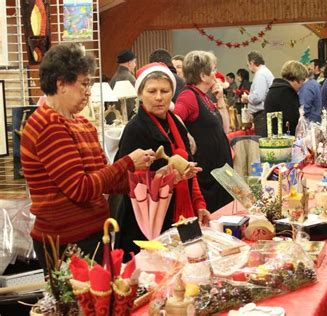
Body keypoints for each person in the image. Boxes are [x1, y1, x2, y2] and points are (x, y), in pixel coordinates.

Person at [20, 43, 154, 270]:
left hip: (92, 235)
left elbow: (108, 181)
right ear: (61, 83)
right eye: (83, 84)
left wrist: (153, 178)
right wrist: (128, 162)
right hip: (66, 242)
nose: (89, 92)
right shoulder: (48, 125)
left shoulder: (81, 123)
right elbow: (81, 188)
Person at [115, 63, 210, 258]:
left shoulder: (175, 122)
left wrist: (199, 203)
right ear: (140, 94)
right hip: (148, 224)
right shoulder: (135, 130)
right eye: (152, 91)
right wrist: (169, 176)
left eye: (164, 91)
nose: (159, 97)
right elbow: (128, 183)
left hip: (182, 214)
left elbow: (190, 170)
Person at [174, 51, 233, 212]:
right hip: (207, 177)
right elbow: (174, 117)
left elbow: (225, 129)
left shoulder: (204, 96)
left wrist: (220, 98)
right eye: (213, 69)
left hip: (219, 174)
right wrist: (188, 137)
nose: (215, 73)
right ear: (203, 75)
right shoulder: (188, 95)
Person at [264, 60, 307, 136]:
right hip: (283, 139)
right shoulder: (286, 93)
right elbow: (293, 119)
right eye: (302, 80)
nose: (302, 84)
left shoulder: (275, 89)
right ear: (296, 78)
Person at [241, 51, 274, 137]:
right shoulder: (265, 72)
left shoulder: (260, 74)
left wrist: (246, 98)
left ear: (252, 63)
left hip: (262, 117)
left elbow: (258, 97)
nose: (248, 67)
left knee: (263, 146)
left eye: (248, 64)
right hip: (265, 115)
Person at [109, 48, 137, 120]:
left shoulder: (114, 77)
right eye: (134, 62)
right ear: (129, 63)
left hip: (113, 118)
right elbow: (131, 105)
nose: (135, 65)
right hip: (125, 119)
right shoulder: (129, 78)